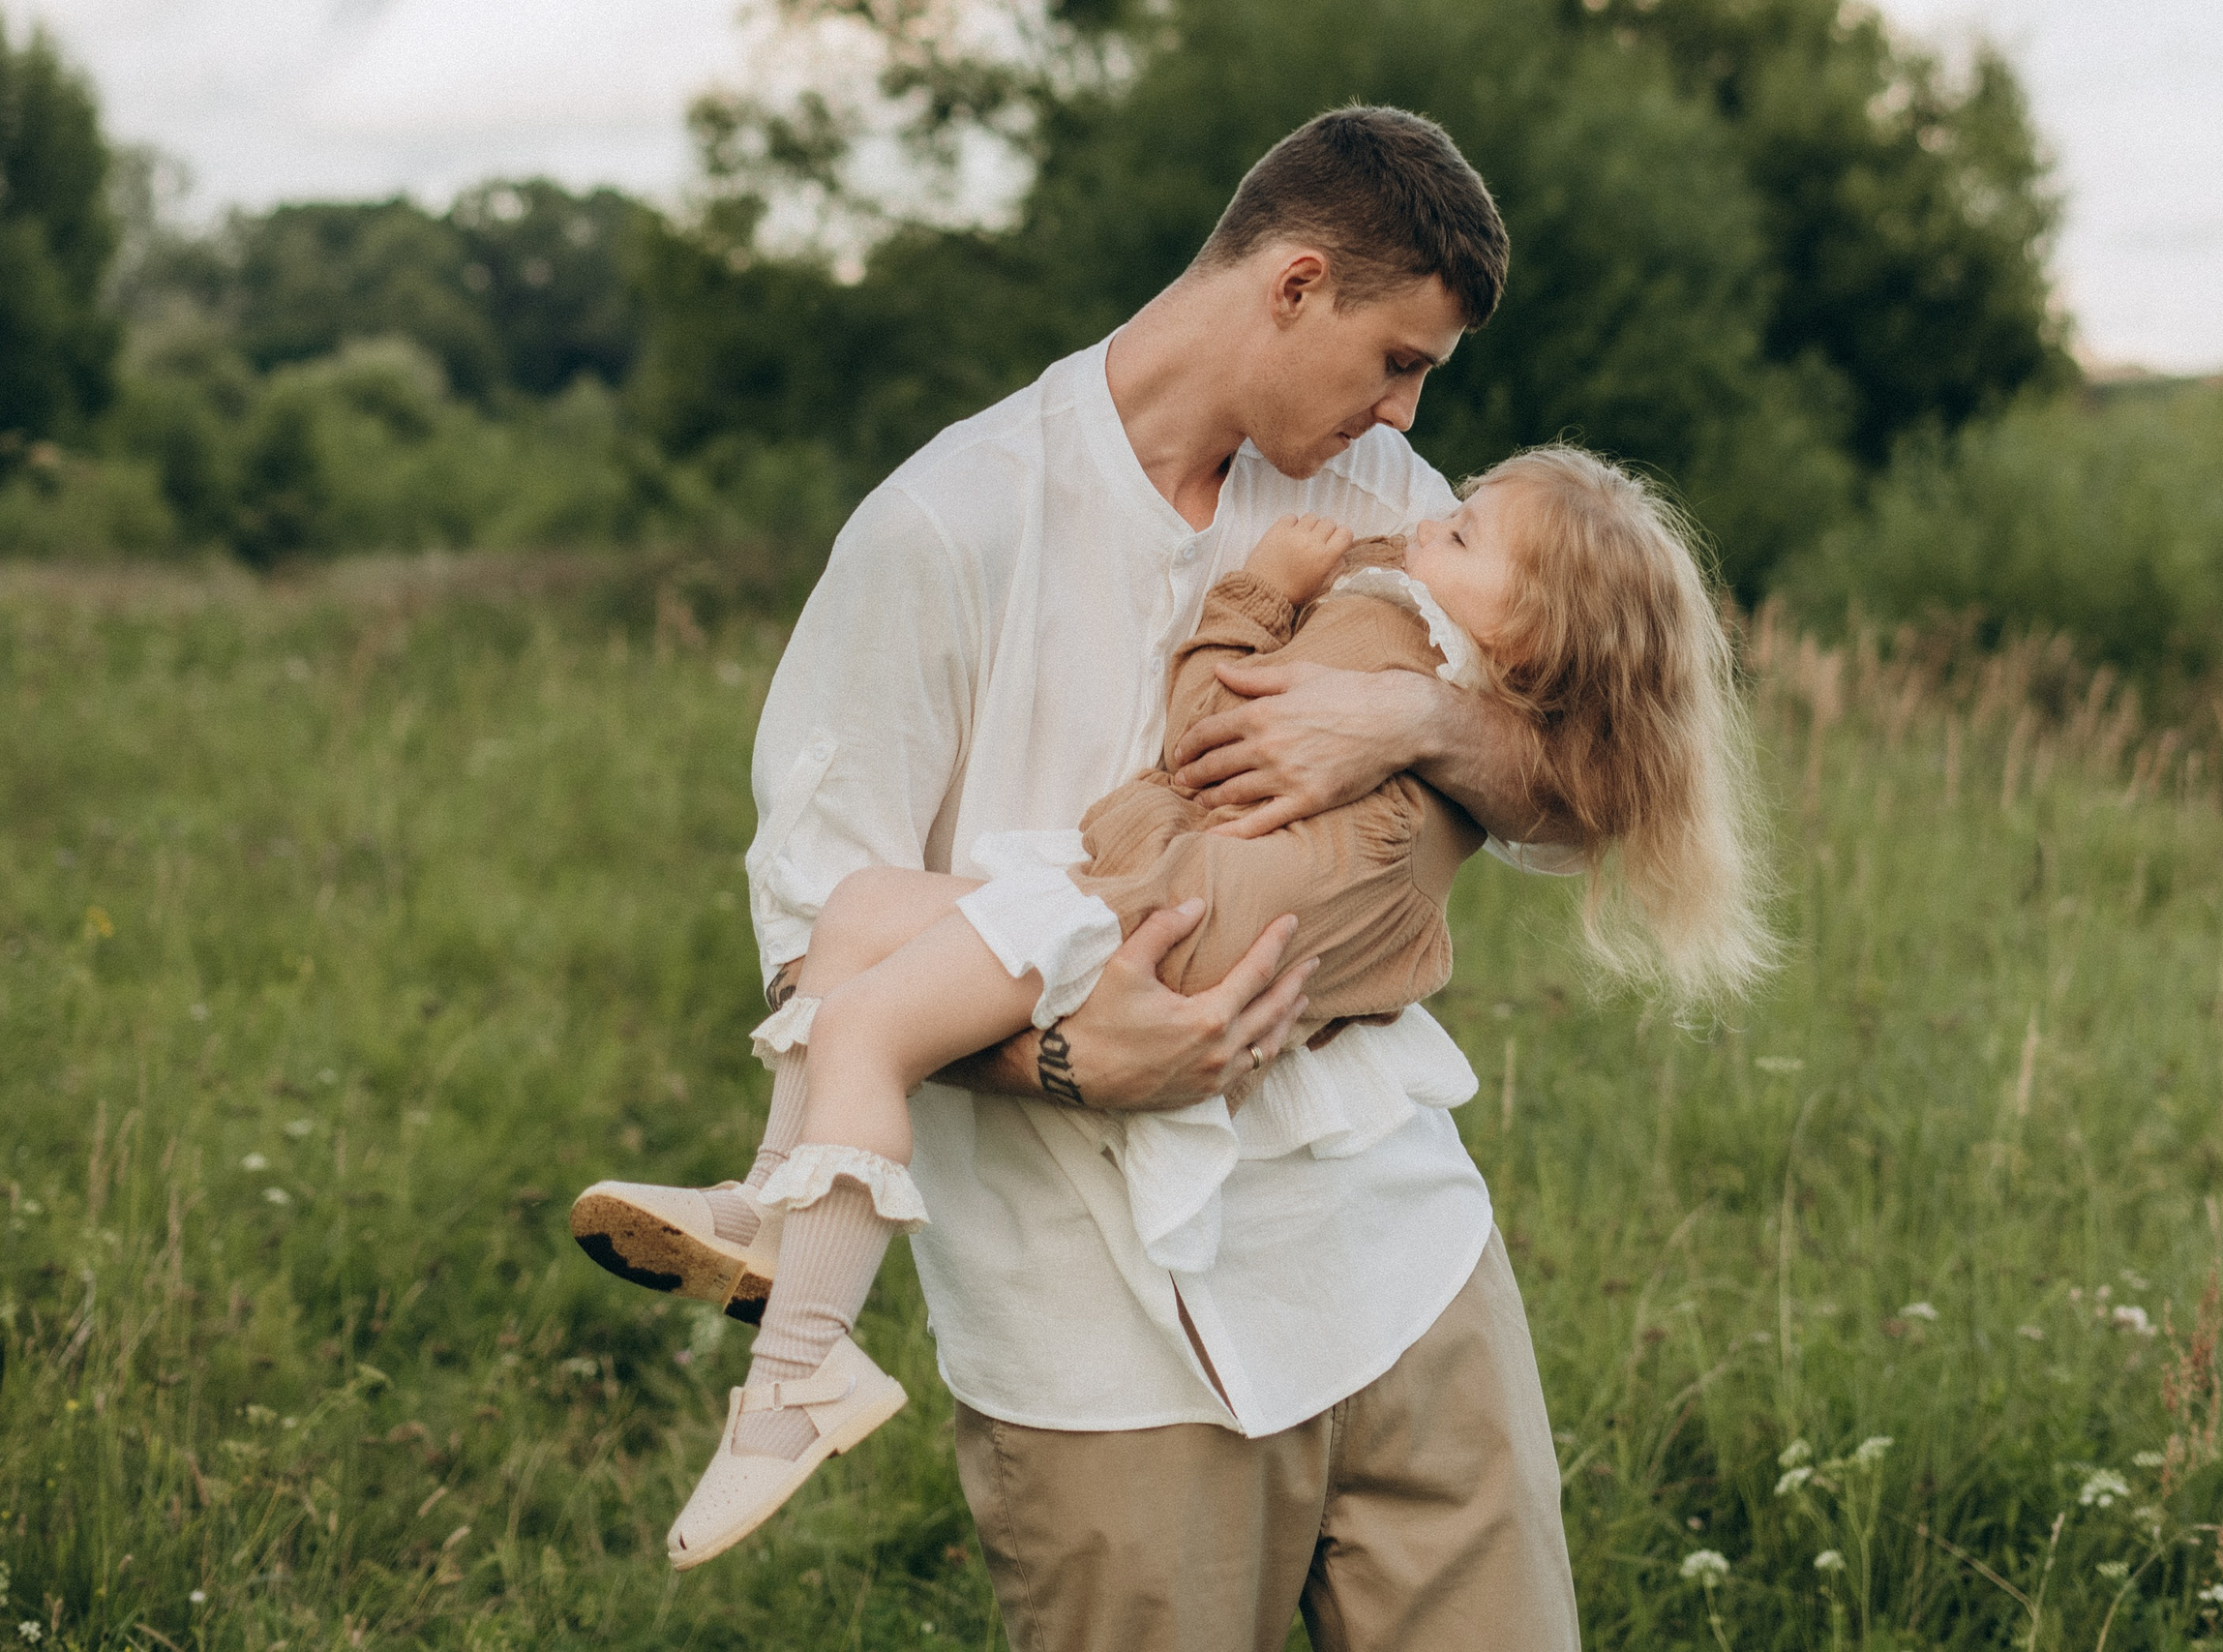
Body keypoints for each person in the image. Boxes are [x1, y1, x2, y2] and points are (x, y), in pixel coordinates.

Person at [572, 105, 1700, 1650]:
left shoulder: (1392, 506)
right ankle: (790, 1288)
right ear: (1295, 284)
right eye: (1395, 360)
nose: (1403, 413)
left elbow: (1582, 798)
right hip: (1103, 1338)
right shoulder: (943, 527)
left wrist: (1421, 715)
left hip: (1399, 1266)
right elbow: (816, 932)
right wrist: (1062, 1051)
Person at [577, 443, 1767, 1567]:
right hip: (1164, 897)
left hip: (1171, 916)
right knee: (854, 921)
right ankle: (779, 1209)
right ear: (1293, 287)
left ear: (1526, 632)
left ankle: (800, 1377)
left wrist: (1257, 590)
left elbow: (1207, 731)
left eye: (1457, 530)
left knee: (864, 1024)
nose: (1419, 518)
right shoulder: (1413, 622)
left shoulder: (1386, 625)